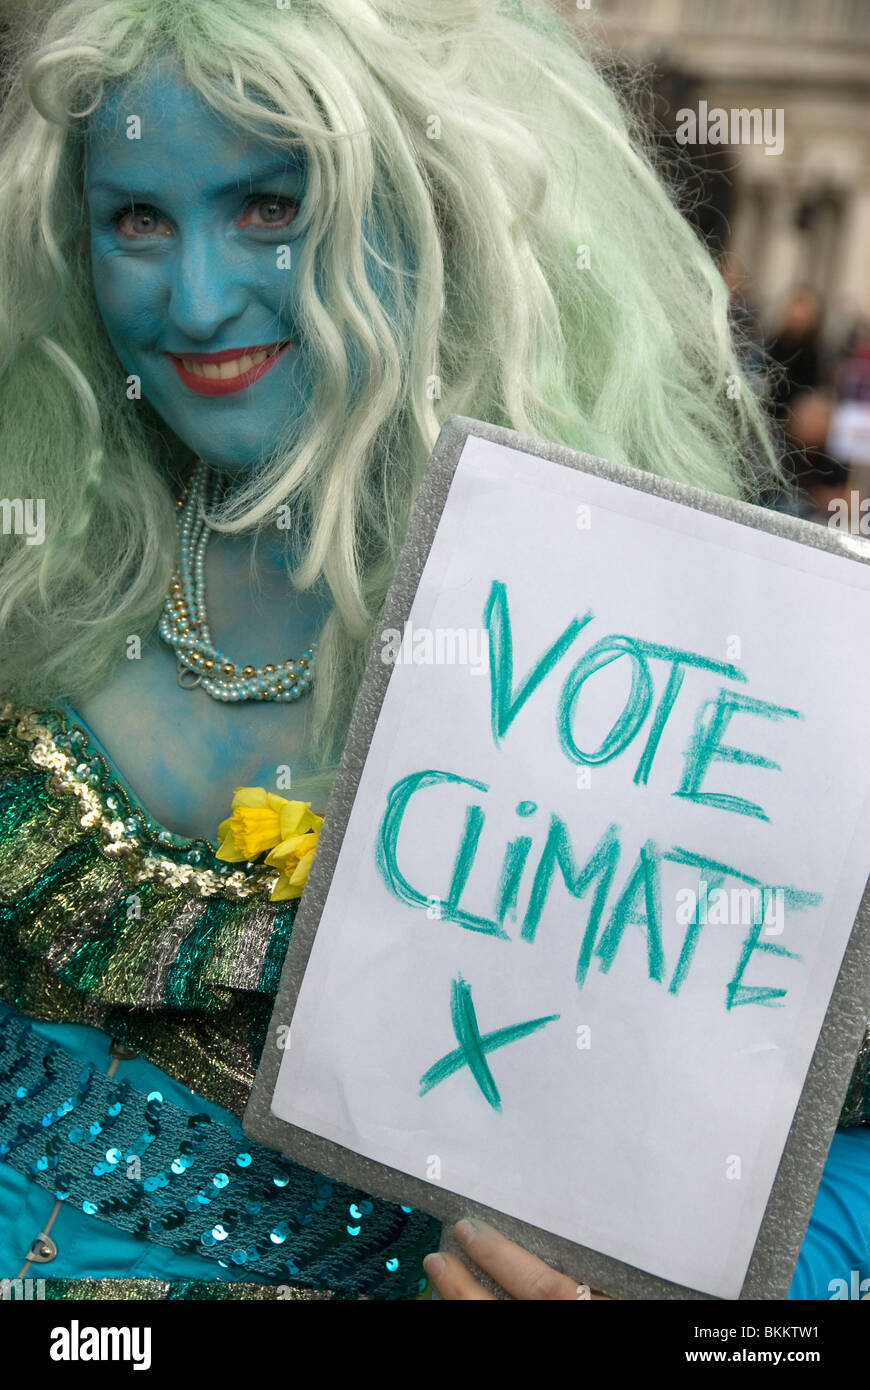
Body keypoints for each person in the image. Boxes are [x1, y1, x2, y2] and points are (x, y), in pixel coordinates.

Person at [0, 0, 867, 1302]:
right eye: (135, 218)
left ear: (442, 209)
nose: (190, 300)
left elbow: (823, 1151)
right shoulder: (34, 575)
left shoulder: (686, 663)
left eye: (268, 208)